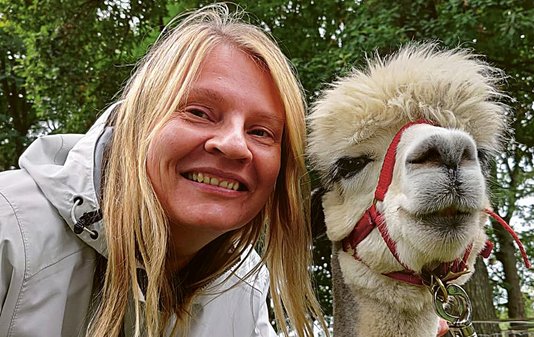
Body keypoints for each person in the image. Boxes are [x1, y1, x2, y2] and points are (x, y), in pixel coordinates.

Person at [0, 4, 327, 337]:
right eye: (199, 112)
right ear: (138, 122)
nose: (234, 145)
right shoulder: (10, 229)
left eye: (261, 132)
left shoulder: (244, 291)